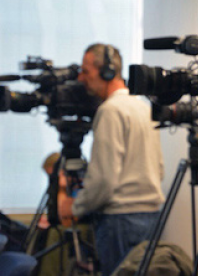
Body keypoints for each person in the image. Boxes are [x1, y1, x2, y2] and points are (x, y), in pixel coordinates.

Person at [58, 43, 165, 276]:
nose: (81, 78)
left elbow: (104, 180)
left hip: (120, 222)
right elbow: (159, 169)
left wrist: (74, 206)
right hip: (151, 218)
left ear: (106, 71)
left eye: (86, 71)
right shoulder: (143, 106)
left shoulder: (110, 111)